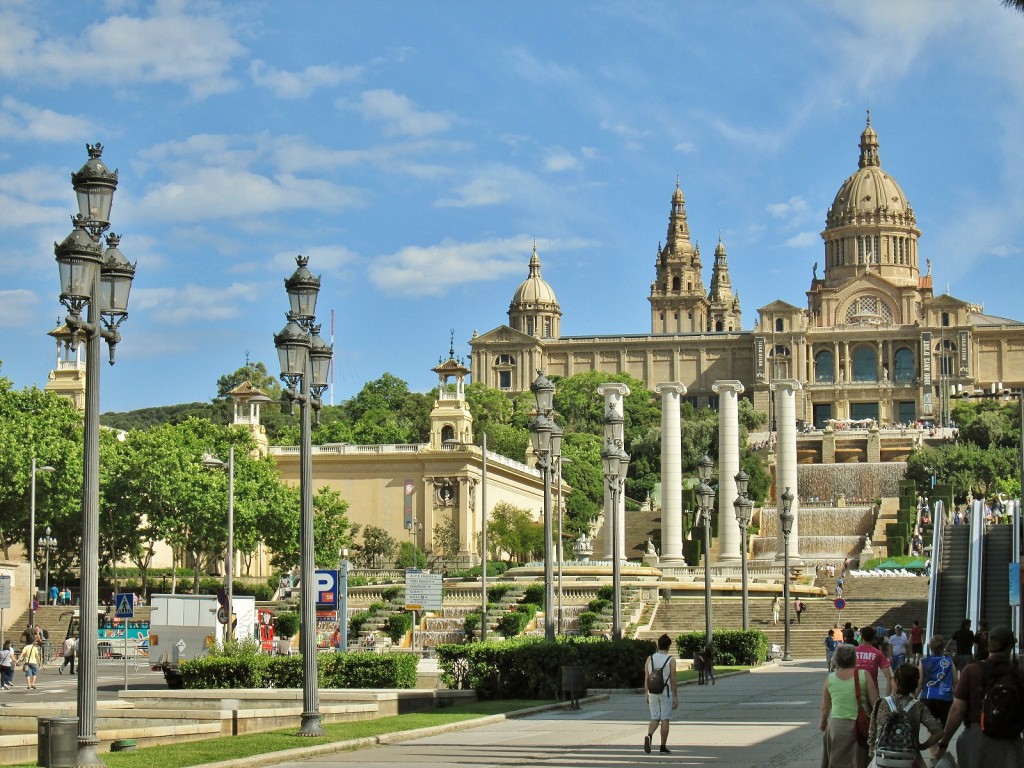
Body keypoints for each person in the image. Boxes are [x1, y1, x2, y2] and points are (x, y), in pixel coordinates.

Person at [937, 625, 1024, 767]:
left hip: (976, 739)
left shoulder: (972, 671)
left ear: (989, 646)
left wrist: (944, 742)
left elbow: (957, 710)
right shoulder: (1019, 674)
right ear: (1010, 647)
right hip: (1010, 742)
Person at [868, 663, 943, 764]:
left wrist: (873, 753)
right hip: (909, 759)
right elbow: (938, 732)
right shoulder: (918, 706)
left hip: (883, 759)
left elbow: (872, 734)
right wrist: (921, 746)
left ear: (897, 681)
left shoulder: (881, 703)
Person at [820, 643, 878, 768]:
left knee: (836, 761)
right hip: (859, 726)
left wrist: (823, 723)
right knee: (859, 761)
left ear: (836, 660)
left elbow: (825, 707)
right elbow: (875, 703)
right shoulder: (864, 674)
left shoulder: (830, 679)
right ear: (854, 659)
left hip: (836, 726)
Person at [643, 634, 678, 754]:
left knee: (654, 717)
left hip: (652, 691)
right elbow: (673, 680)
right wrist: (675, 697)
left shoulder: (650, 658)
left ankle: (649, 735)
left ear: (658, 645)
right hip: (665, 691)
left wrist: (646, 693)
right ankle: (662, 746)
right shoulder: (671, 660)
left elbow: (647, 677)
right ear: (668, 646)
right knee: (665, 719)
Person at [918, 635, 957, 727]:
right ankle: (942, 741)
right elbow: (955, 681)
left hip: (927, 696)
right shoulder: (949, 661)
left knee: (932, 727)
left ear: (930, 647)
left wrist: (915, 695)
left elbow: (920, 682)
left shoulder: (923, 661)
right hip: (945, 697)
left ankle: (932, 740)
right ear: (943, 647)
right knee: (944, 726)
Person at [855, 625, 893, 696]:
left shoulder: (853, 651)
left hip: (854, 692)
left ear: (862, 637)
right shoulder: (878, 653)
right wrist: (886, 698)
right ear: (873, 638)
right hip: (873, 693)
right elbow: (889, 677)